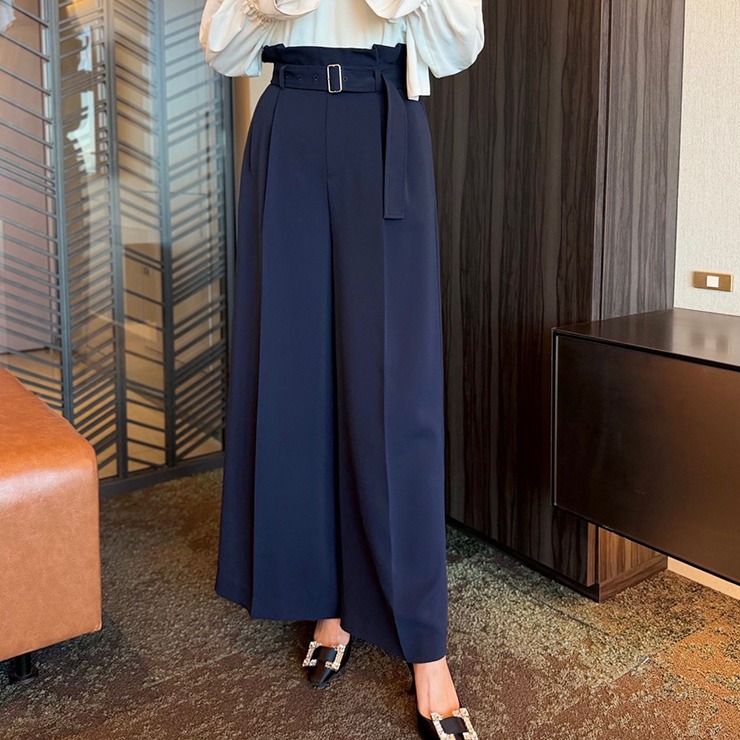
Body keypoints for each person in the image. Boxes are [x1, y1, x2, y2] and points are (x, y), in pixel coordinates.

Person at [199, 1, 484, 737]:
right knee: (296, 374)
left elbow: (460, 44)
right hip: (288, 118)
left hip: (381, 118)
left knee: (397, 395)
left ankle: (427, 649)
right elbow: (222, 48)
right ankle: (329, 603)